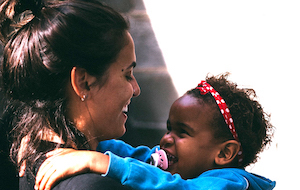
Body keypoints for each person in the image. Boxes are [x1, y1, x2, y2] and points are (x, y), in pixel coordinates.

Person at [35, 74, 276, 190]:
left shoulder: (231, 183)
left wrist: (101, 163)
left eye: (182, 133)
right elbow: (141, 157)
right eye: (169, 128)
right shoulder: (185, 166)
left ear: (224, 153)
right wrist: (90, 146)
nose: (166, 139)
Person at [0, 0, 140, 189]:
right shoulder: (95, 185)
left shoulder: (31, 159)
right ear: (83, 82)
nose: (136, 89)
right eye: (127, 75)